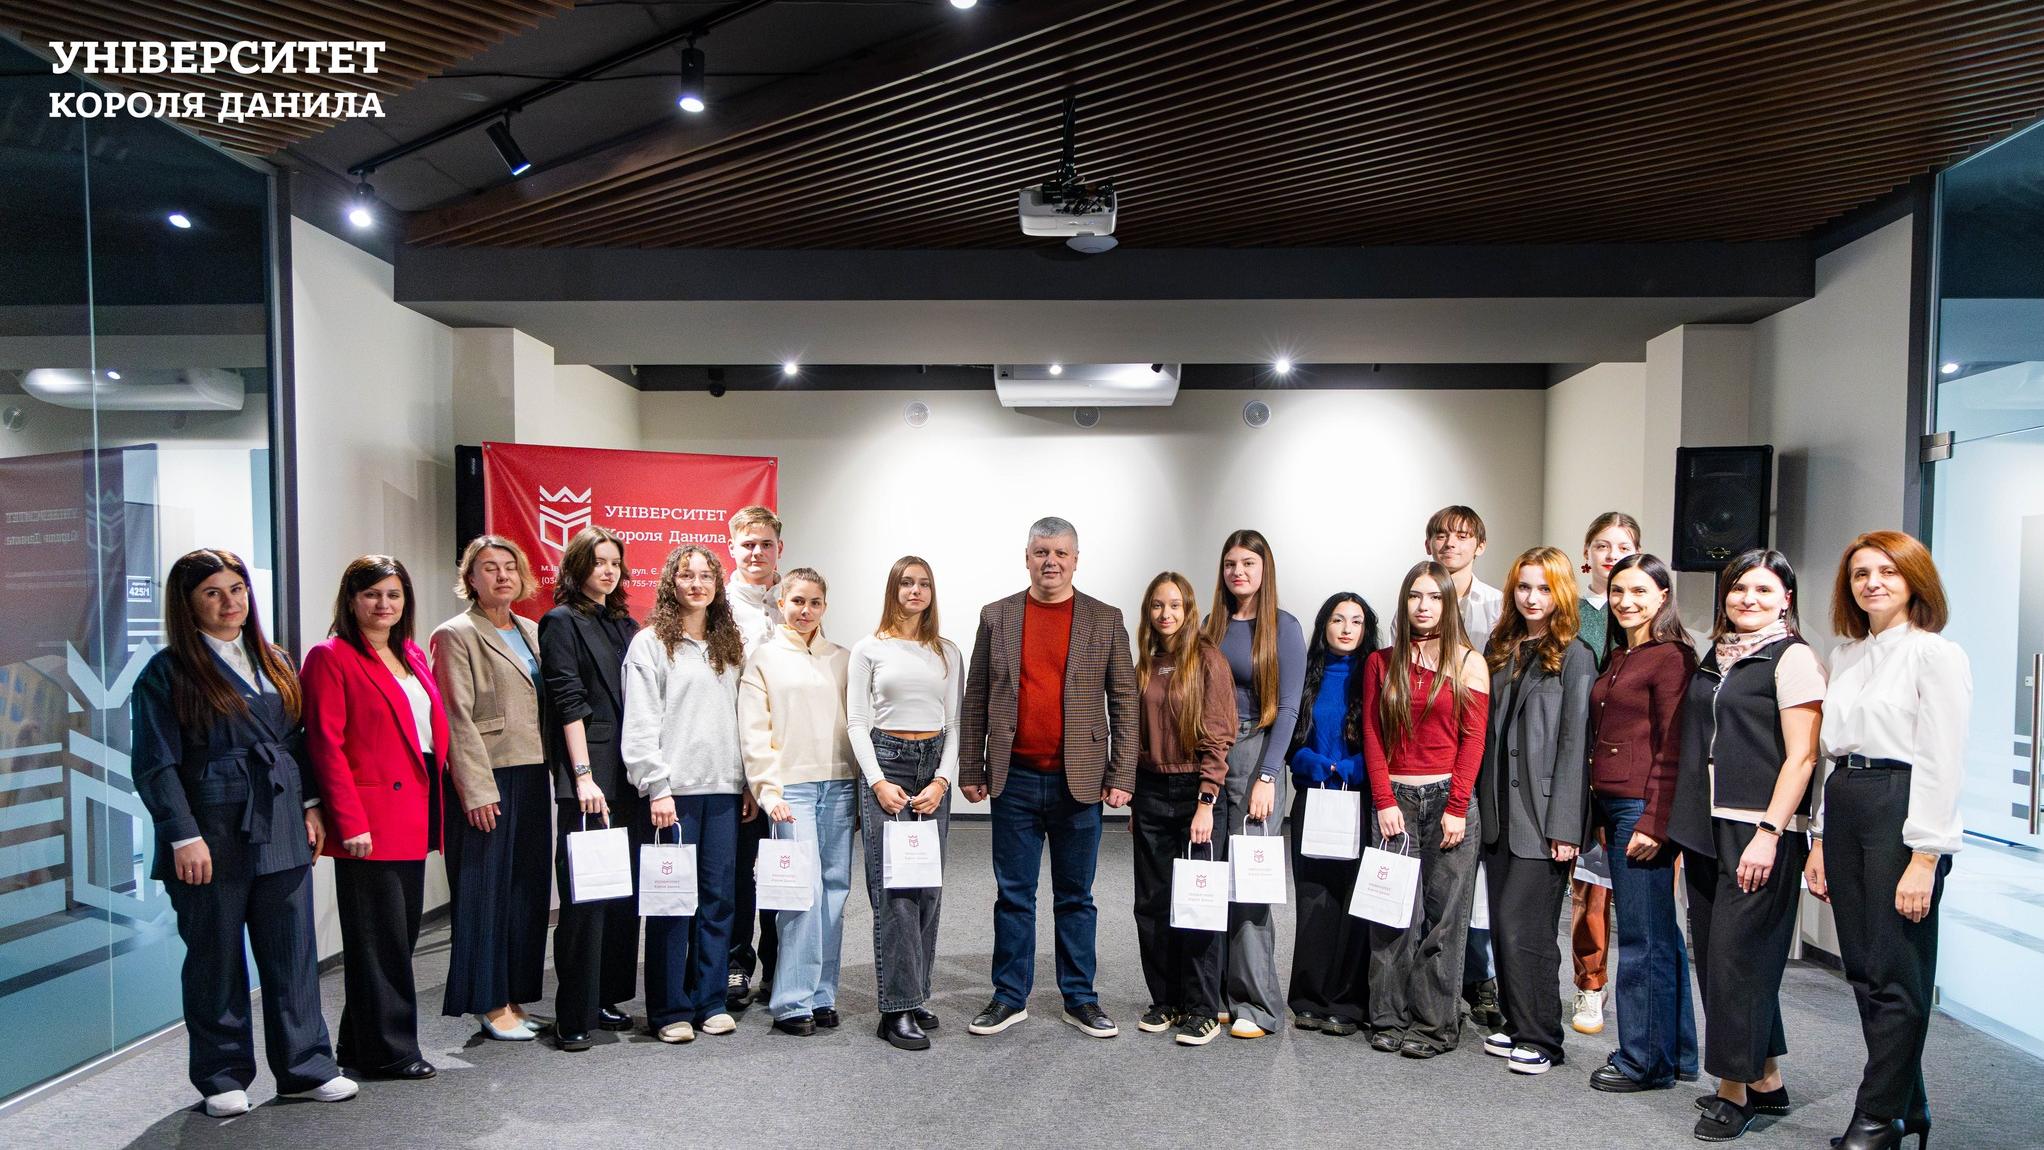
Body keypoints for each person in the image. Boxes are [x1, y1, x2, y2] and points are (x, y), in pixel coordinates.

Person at [131, 549, 355, 1117]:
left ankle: (306, 1068)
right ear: (187, 605)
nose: (230, 602)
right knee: (216, 957)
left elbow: (297, 740)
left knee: (293, 953)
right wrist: (182, 835)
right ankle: (222, 1076)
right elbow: (156, 764)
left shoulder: (273, 658)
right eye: (212, 592)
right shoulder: (167, 671)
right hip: (209, 832)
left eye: (237, 589)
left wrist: (311, 806)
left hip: (280, 821)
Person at [1807, 531, 1969, 1150]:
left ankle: (1877, 1116)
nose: (1872, 583)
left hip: (1902, 809)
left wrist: (1926, 856)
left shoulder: (1936, 655)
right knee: (1863, 969)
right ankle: (1910, 1102)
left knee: (1898, 970)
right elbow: (1834, 757)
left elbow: (1942, 761)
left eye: (1887, 571)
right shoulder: (1847, 654)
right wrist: (1820, 838)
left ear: (1913, 580)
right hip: (1847, 801)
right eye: (1860, 574)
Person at [960, 516, 1138, 1040]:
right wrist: (972, 766)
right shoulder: (997, 615)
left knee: (1076, 896)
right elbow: (976, 695)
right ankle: (1009, 997)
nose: (1051, 562)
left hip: (1078, 781)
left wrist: (1122, 772)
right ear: (1027, 557)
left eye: (1061, 553)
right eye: (1042, 552)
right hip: (1013, 779)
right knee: (1013, 894)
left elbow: (1124, 701)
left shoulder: (1105, 619)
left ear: (1076, 559)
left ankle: (1080, 998)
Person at [1670, 549, 1826, 1141]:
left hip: (1760, 830)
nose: (1748, 599)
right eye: (1739, 588)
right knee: (1718, 959)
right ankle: (1766, 1079)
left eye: (1763, 590)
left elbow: (1803, 756)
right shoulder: (1720, 655)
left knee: (1738, 961)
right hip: (1708, 826)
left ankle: (1732, 1090)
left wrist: (1769, 832)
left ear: (1786, 599)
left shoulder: (1793, 658)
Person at [302, 555, 450, 1082]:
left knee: (394, 936)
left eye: (393, 594)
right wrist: (349, 820)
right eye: (372, 594)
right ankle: (391, 1050)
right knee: (381, 940)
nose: (383, 604)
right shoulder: (330, 656)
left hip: (414, 807)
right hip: (370, 817)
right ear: (351, 599)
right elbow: (324, 745)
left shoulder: (410, 653)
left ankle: (359, 1043)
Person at [1362, 560, 1491, 1059]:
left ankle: (1435, 1025)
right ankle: (1388, 1016)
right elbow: (1373, 735)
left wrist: (1457, 806)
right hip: (1395, 801)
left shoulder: (1468, 662)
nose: (1423, 605)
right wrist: (1383, 799)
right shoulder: (1381, 663)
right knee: (1392, 915)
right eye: (1415, 596)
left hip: (1447, 803)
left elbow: (1472, 741)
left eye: (1435, 597)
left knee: (1444, 921)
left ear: (1448, 604)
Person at [622, 545, 747, 1044]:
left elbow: (741, 719)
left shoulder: (728, 646)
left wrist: (745, 782)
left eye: (706, 576)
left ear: (717, 584)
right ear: (670, 584)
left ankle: (710, 1000)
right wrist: (656, 786)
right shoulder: (651, 644)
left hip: (724, 791)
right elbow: (641, 722)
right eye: (687, 575)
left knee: (718, 902)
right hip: (673, 795)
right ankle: (669, 1008)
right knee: (672, 902)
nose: (697, 584)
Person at [1477, 547, 1594, 1076]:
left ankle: (1543, 1037)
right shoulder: (1501, 647)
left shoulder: (1575, 655)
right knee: (1503, 926)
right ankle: (1515, 1019)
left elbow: (1574, 743)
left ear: (1561, 593)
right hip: (1498, 810)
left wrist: (1566, 825)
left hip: (1543, 814)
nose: (1532, 597)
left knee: (1526, 927)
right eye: (1524, 587)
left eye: (1544, 588)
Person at [1585, 553, 1700, 1094]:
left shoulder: (1671, 657)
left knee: (1640, 938)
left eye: (1638, 592)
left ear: (1662, 596)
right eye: (1617, 591)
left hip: (1642, 808)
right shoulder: (1619, 655)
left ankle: (1643, 1061)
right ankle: (1676, 1054)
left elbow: (1674, 746)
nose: (1626, 601)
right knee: (1659, 934)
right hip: (1616, 806)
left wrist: (1654, 821)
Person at [431, 535, 550, 1042]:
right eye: (489, 567)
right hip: (488, 778)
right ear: (470, 579)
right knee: (485, 893)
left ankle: (514, 997)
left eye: (509, 566)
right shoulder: (455, 634)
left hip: (532, 771)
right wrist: (476, 789)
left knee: (525, 891)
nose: (502, 575)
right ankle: (488, 1001)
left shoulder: (532, 630)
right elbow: (454, 717)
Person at [847, 556, 961, 1051]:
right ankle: (895, 1009)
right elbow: (856, 722)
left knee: (927, 890)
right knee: (895, 893)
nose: (916, 591)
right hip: (888, 764)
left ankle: (915, 994)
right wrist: (876, 782)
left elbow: (954, 725)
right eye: (907, 583)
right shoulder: (869, 648)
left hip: (932, 768)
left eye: (924, 584)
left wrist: (942, 780)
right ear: (893, 589)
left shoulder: (947, 651)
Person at [740, 568, 855, 1038]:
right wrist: (768, 791)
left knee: (835, 892)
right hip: (792, 791)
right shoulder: (763, 659)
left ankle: (822, 994)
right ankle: (791, 1000)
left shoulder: (843, 659)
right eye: (797, 601)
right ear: (781, 604)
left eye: (815, 602)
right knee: (801, 893)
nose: (806, 611)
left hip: (841, 785)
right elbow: (754, 732)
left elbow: (857, 724)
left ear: (825, 607)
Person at [538, 526, 641, 1051]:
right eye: (599, 561)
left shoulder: (625, 624)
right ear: (577, 566)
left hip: (630, 774)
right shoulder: (560, 621)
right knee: (585, 899)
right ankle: (572, 1013)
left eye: (615, 563)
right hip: (590, 777)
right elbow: (567, 700)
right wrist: (582, 776)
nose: (608, 570)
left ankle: (605, 996)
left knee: (621, 897)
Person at [1203, 528, 1306, 1039]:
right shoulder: (1210, 626)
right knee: (1212, 875)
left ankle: (1256, 1005)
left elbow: (1288, 709)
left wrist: (1268, 775)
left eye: (1248, 563)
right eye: (1230, 564)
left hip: (1257, 753)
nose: (1238, 572)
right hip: (1213, 752)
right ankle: (1220, 991)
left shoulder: (1284, 628)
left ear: (1265, 570)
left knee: (1249, 884)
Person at [1130, 572, 1237, 1048]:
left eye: (1175, 605)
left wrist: (1206, 802)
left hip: (1196, 791)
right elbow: (1136, 736)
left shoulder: (1208, 660)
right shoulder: (1146, 663)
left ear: (1189, 610)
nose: (1165, 614)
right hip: (1151, 791)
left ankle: (1202, 1008)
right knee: (1152, 903)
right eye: (1158, 605)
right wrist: (1135, 800)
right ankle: (1166, 999)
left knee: (1197, 902)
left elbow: (1219, 735)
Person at [1425, 504, 1505, 1032]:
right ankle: (1433, 981)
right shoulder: (1417, 598)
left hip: (1485, 745)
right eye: (1441, 535)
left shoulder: (1498, 605)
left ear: (1479, 545)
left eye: (1461, 536)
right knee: (1441, 876)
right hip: (1431, 756)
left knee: (1480, 876)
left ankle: (1482, 978)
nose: (1450, 543)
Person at [1286, 591, 1379, 1038]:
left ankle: (1346, 1002)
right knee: (1314, 899)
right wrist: (1318, 765)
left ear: (1366, 630)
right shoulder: (1306, 673)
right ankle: (1308, 998)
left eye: (1356, 621)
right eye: (1338, 619)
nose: (1346, 628)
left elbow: (1384, 739)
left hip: (1359, 800)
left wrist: (1352, 769)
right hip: (1314, 798)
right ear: (1324, 625)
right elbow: (1291, 741)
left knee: (1352, 902)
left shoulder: (1375, 673)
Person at [1570, 510, 1640, 1036]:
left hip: (1631, 769)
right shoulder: (1570, 614)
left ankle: (1643, 1000)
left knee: (1637, 892)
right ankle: (1589, 985)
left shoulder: (1647, 616)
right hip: (1579, 761)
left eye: (1623, 546)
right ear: (1586, 554)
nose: (1612, 554)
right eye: (1602, 545)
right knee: (1588, 888)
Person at [724, 505, 785, 1009]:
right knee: (741, 871)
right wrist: (748, 776)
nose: (757, 553)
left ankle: (780, 966)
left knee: (783, 866)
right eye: (748, 544)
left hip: (789, 764)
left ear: (779, 549)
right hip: (739, 764)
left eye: (765, 544)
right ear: (732, 549)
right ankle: (736, 964)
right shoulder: (719, 609)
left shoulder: (793, 603)